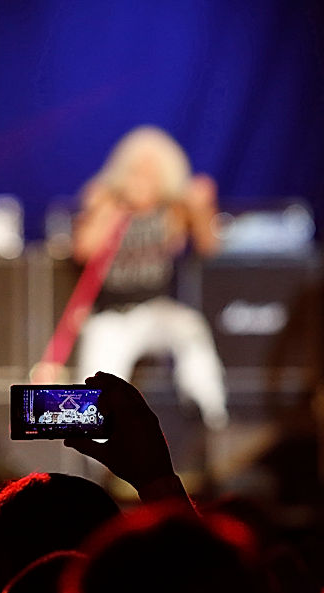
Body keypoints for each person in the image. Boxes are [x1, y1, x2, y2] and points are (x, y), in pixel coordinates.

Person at [68, 126, 229, 431]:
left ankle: (210, 412)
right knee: (96, 378)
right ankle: (89, 451)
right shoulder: (105, 201)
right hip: (112, 315)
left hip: (156, 310)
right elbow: (83, 250)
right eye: (136, 171)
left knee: (191, 330)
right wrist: (109, 213)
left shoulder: (172, 210)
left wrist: (202, 207)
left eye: (151, 172)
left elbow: (210, 246)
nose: (142, 180)